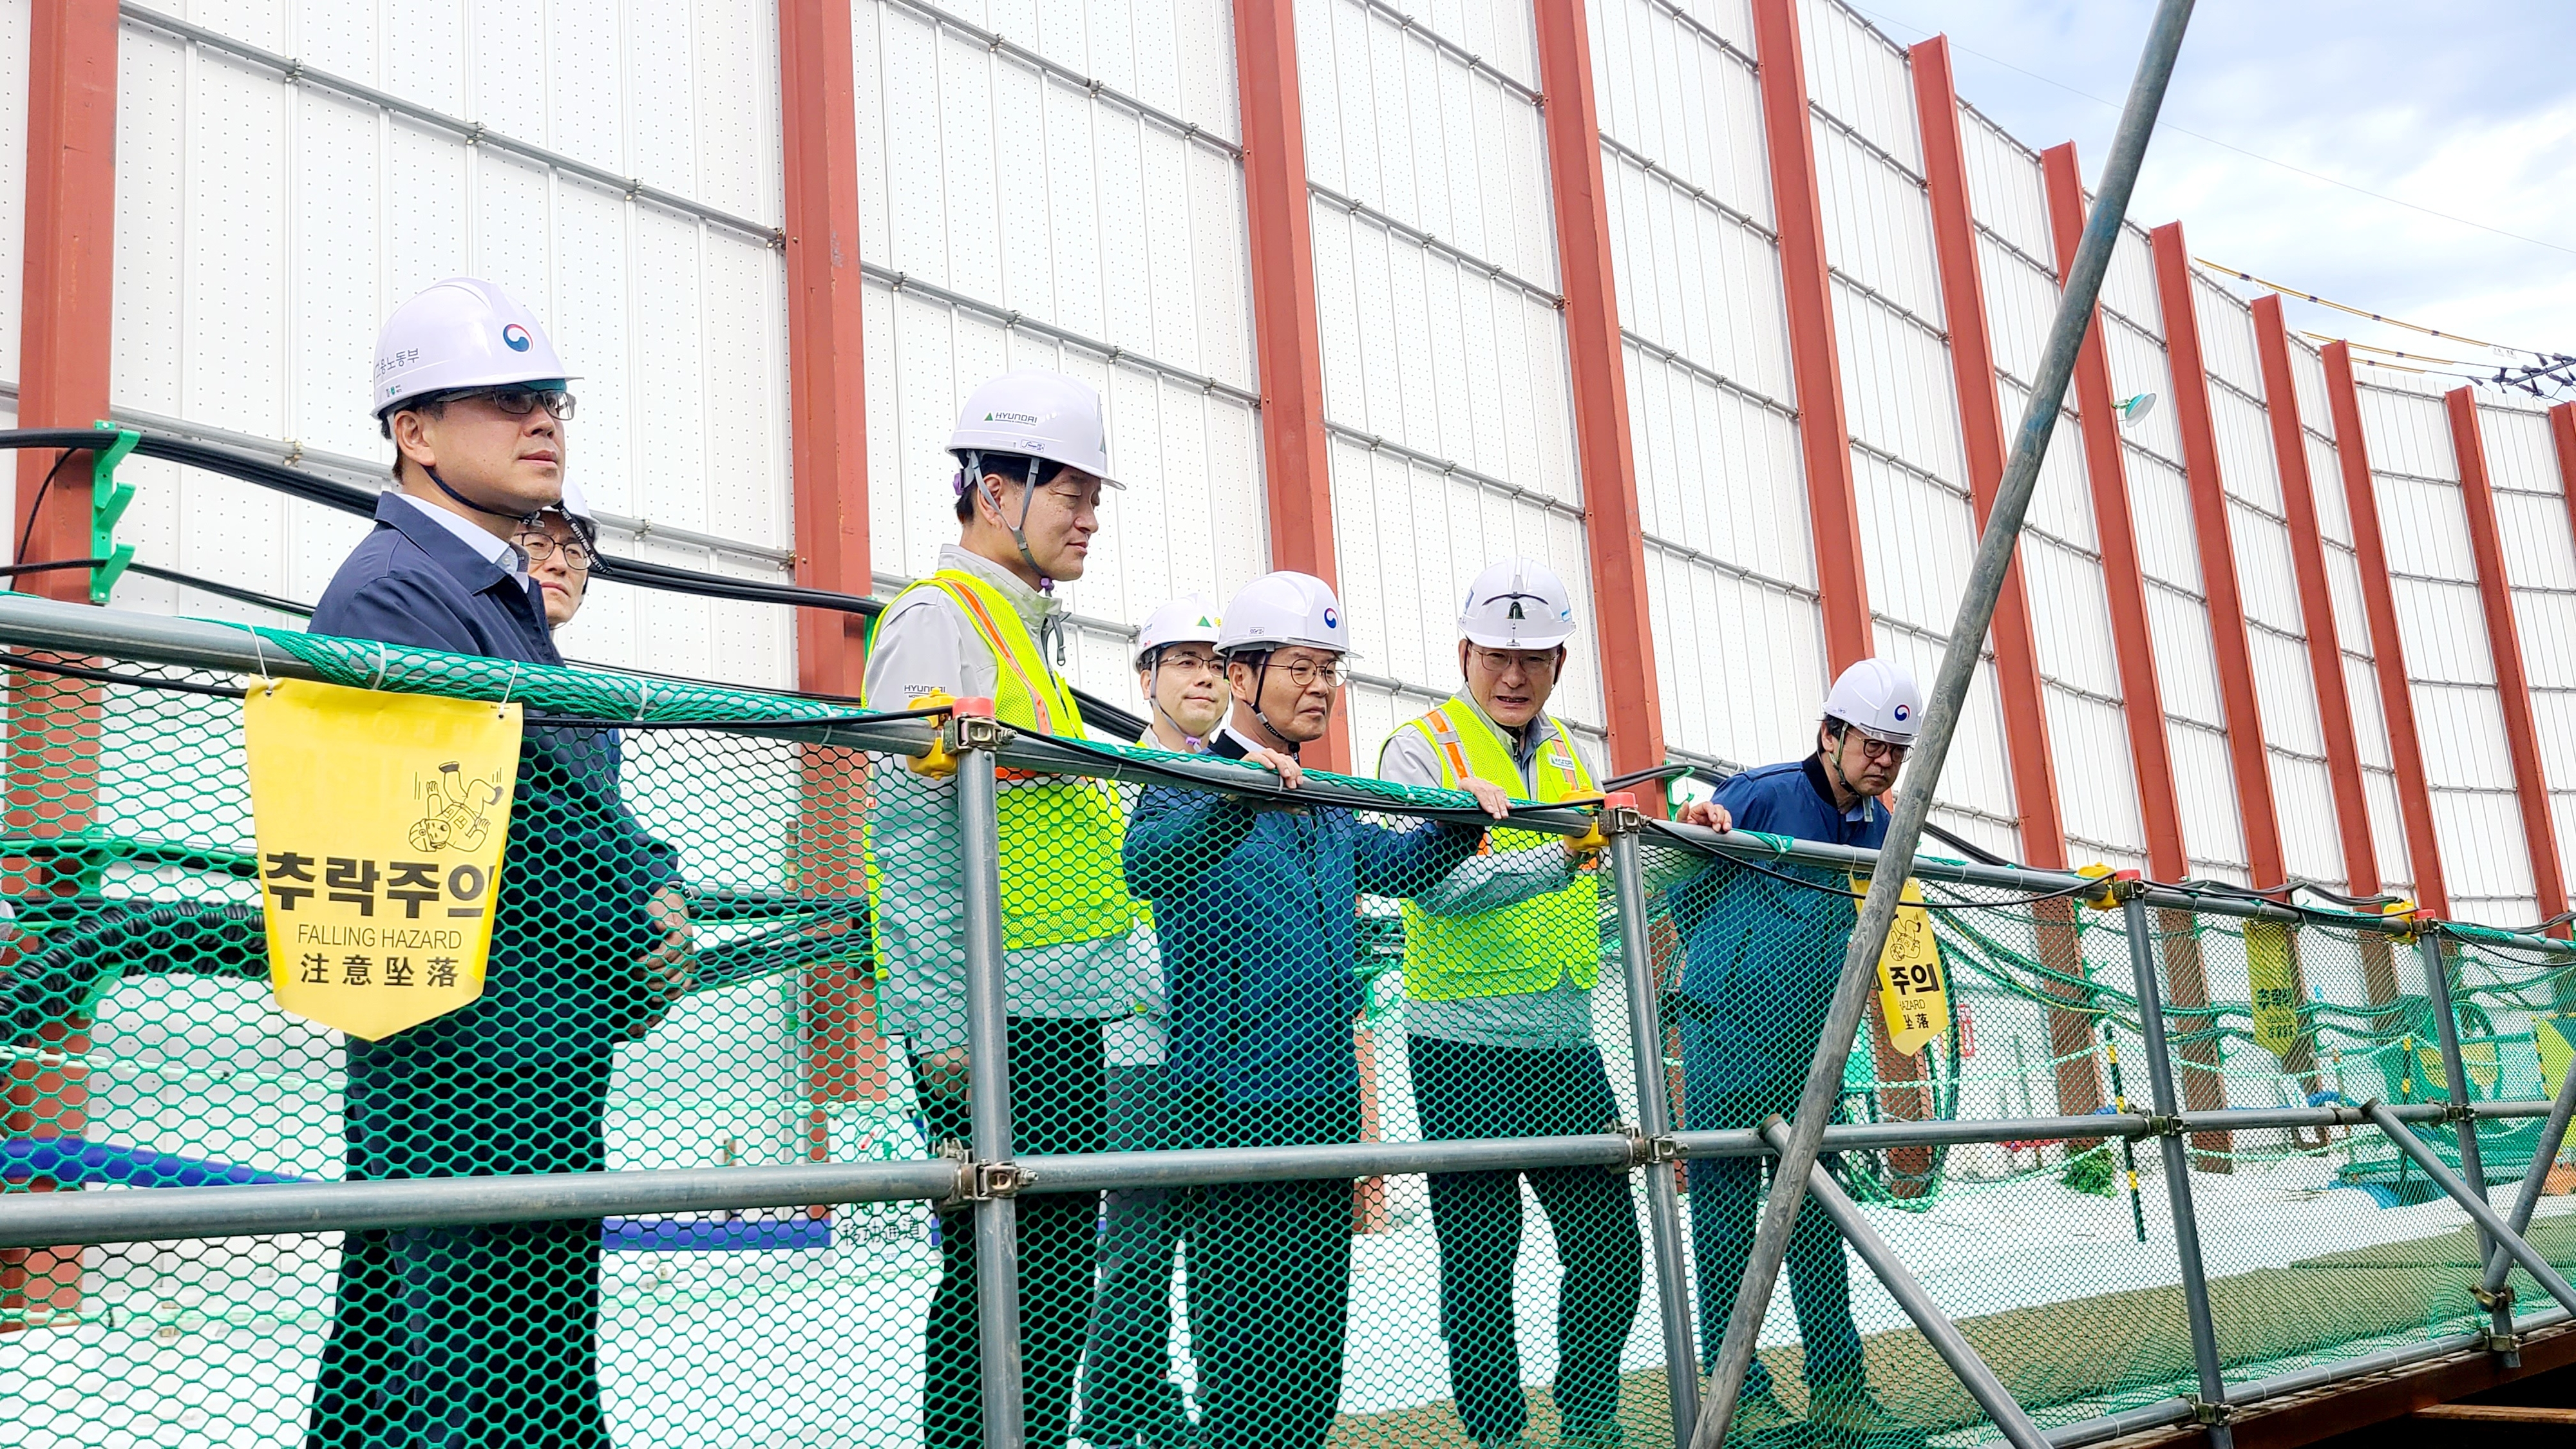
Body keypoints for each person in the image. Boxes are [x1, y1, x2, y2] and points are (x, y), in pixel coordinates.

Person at [305, 278, 689, 1449]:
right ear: (411, 433)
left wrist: (648, 882)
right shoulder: (400, 593)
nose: (544, 423)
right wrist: (646, 902)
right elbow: (505, 808)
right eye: (503, 401)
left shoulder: (495, 596)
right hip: (464, 1046)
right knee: (474, 1360)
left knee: (468, 1346)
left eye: (552, 400)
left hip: (535, 1033)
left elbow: (572, 790)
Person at [1123, 571, 1508, 1449]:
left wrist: (1455, 823)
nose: (1321, 688)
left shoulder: (1325, 801)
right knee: (1242, 1346)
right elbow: (1146, 867)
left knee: (1311, 1346)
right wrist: (1237, 793)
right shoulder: (1187, 777)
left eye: (1331, 670)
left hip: (1326, 1098)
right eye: (1302, 667)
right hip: (1228, 1102)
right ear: (1244, 675)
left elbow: (1395, 868)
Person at [860, 369, 1143, 1449]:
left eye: (1093, 498)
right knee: (1001, 1286)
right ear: (989, 487)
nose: (1088, 517)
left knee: (1052, 1286)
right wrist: (943, 1036)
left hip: (1052, 1016)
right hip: (991, 1027)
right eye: (1069, 492)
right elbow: (907, 841)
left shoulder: (1021, 636)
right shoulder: (940, 623)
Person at [1379, 560, 1659, 1449]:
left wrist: (1690, 847)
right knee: (1479, 1257)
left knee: (1611, 1248)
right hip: (1458, 1044)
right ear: (1464, 651)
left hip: (1565, 1041)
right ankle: (1499, 1436)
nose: (1513, 674)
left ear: (1560, 664)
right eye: (1497, 654)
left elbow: (1607, 895)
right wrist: (1560, 855)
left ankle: (1588, 1419)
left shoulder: (1576, 756)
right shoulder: (1419, 745)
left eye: (1534, 658)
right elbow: (1435, 885)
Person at [1665, 659, 1922, 1441]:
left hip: (1812, 1053)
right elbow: (1685, 885)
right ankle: (1736, 1397)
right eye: (1870, 743)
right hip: (1725, 1036)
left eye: (1895, 751)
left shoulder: (1880, 828)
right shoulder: (1761, 793)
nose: (1881, 760)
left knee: (1819, 1218)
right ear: (1831, 733)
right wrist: (1735, 963)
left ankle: (1839, 1392)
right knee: (1720, 1220)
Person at [1077, 593, 1245, 1449]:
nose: (1203, 677)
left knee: (1216, 1245)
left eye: (1216, 663)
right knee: (1142, 1244)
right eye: (1183, 661)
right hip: (1147, 1050)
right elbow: (1121, 918)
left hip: (1226, 1056)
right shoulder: (1118, 784)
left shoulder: (1239, 776)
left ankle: (1176, 1403)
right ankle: (1118, 1413)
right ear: (1145, 677)